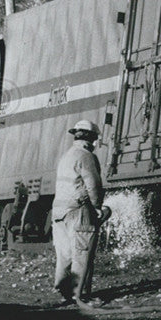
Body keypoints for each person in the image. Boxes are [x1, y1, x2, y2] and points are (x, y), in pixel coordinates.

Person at [51, 119, 108, 309]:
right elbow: (93, 184)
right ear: (91, 139)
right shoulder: (86, 156)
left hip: (59, 211)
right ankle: (80, 295)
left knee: (64, 254)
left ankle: (63, 292)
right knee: (82, 253)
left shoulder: (67, 156)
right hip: (77, 210)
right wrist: (98, 207)